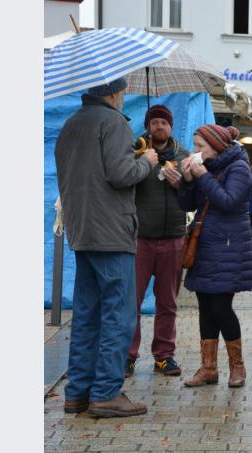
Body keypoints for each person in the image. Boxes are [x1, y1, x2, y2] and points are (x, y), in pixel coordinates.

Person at [55, 77, 158, 417]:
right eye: (123, 92)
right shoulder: (113, 122)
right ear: (114, 93)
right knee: (119, 315)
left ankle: (77, 392)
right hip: (112, 231)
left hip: (82, 229)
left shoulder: (71, 124)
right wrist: (147, 162)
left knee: (86, 314)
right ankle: (106, 393)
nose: (124, 98)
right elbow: (120, 173)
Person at [179, 124, 252, 389]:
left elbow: (228, 201)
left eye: (200, 146)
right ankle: (208, 368)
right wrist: (186, 181)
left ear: (216, 146)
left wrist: (201, 176)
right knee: (204, 306)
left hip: (229, 246)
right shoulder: (207, 167)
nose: (196, 151)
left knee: (221, 306)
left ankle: (238, 367)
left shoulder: (238, 168)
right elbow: (187, 205)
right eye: (195, 146)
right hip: (204, 245)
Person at [125, 105, 189, 379]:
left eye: (164, 122)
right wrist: (145, 162)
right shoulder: (135, 151)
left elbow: (196, 196)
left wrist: (181, 185)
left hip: (174, 238)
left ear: (171, 126)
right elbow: (123, 182)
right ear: (148, 125)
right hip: (140, 239)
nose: (159, 127)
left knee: (168, 302)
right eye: (154, 122)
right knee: (131, 302)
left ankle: (164, 356)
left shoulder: (185, 156)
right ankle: (127, 355)